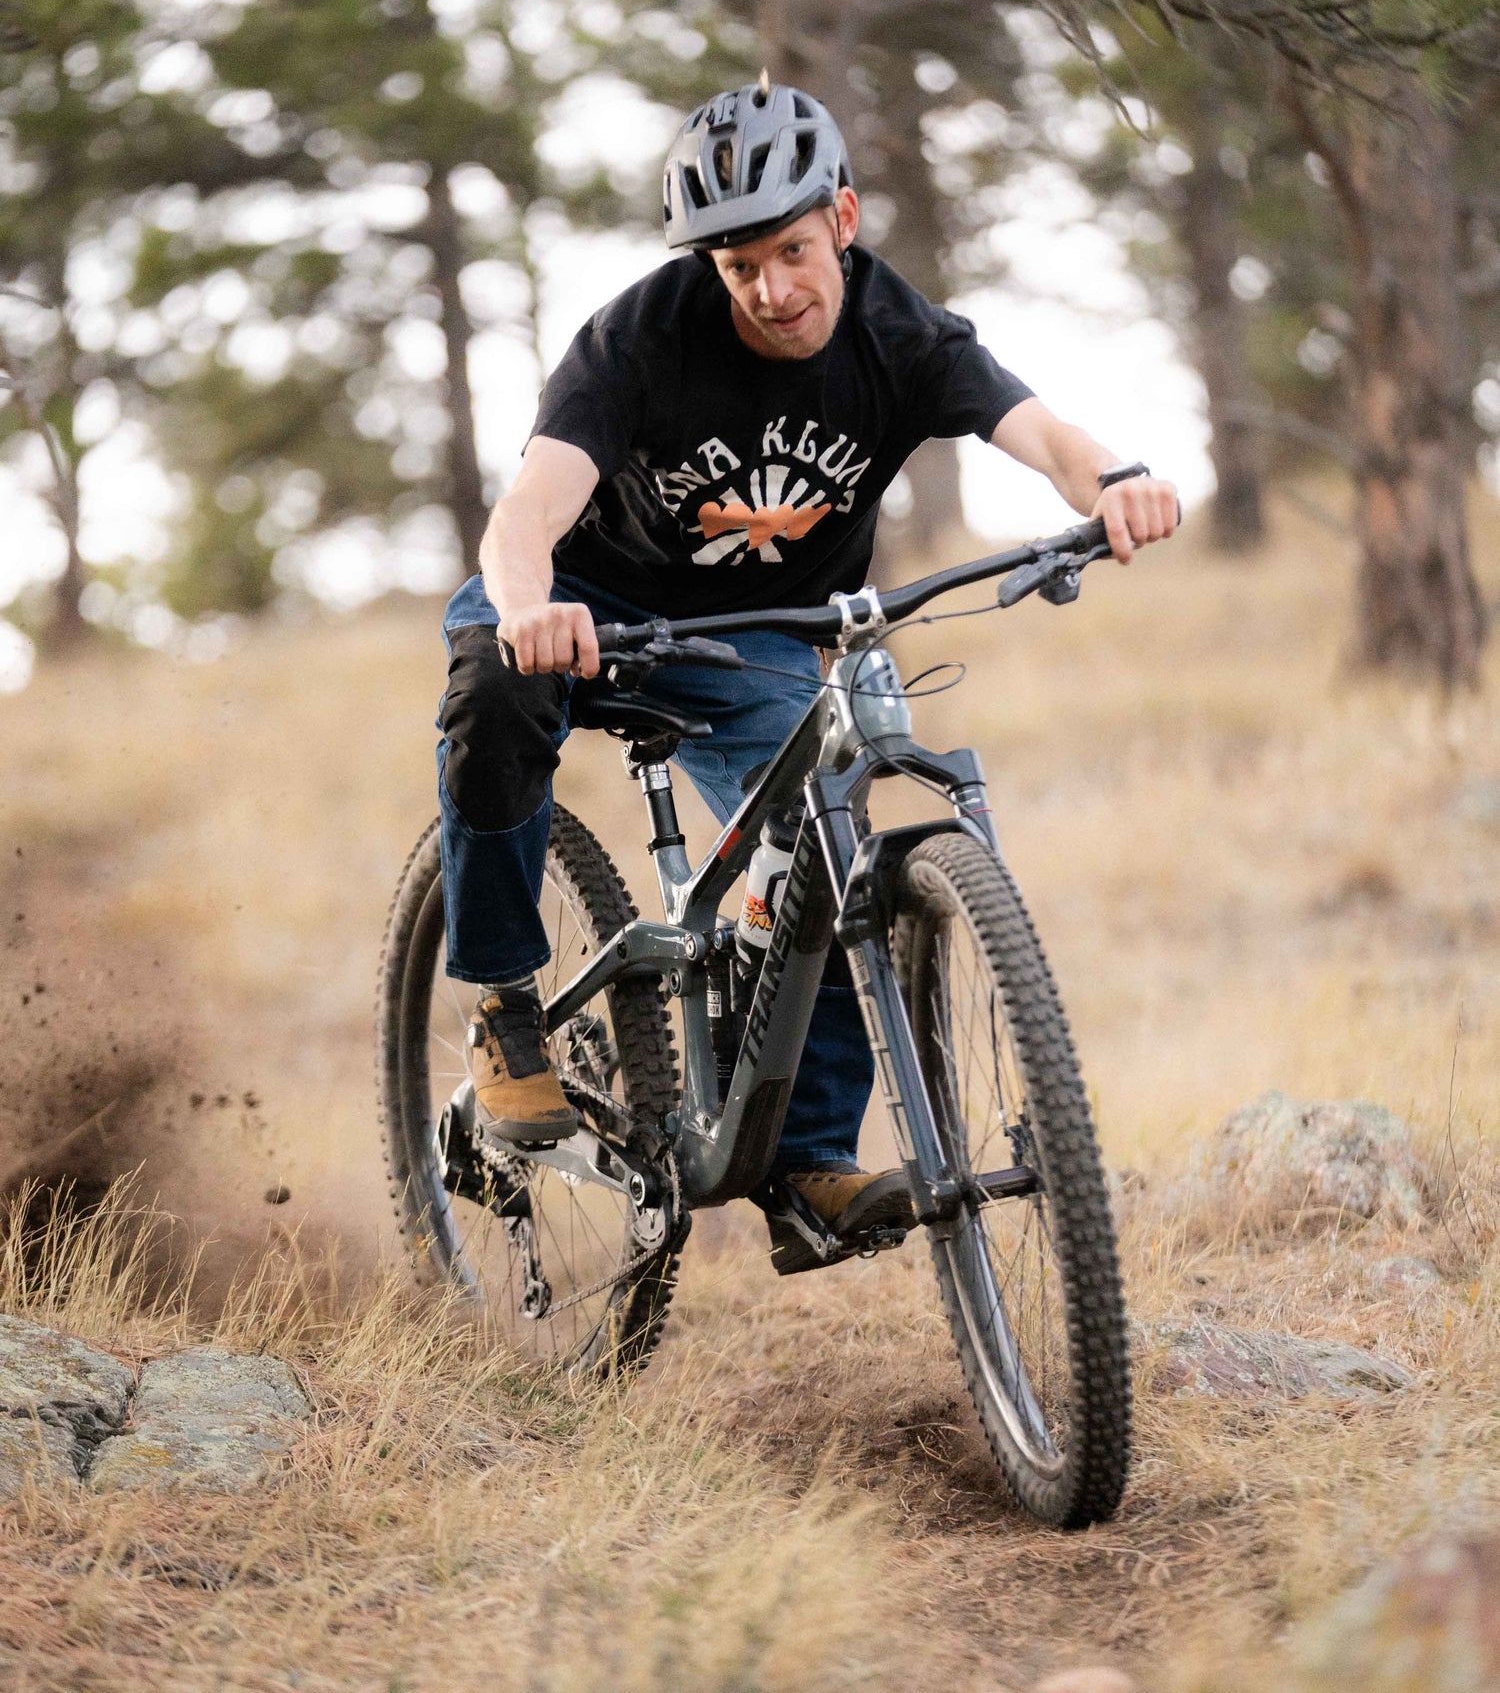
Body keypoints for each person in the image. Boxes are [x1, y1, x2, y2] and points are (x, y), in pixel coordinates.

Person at [437, 78, 1179, 1251]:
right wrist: (530, 608)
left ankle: (804, 1159)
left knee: (829, 854)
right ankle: (505, 1005)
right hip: (594, 609)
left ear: (842, 217)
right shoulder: (638, 338)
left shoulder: (897, 333)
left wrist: (1119, 480)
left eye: (790, 251)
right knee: (492, 684)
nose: (771, 291)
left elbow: (1040, 433)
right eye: (738, 269)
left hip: (765, 635)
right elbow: (526, 510)